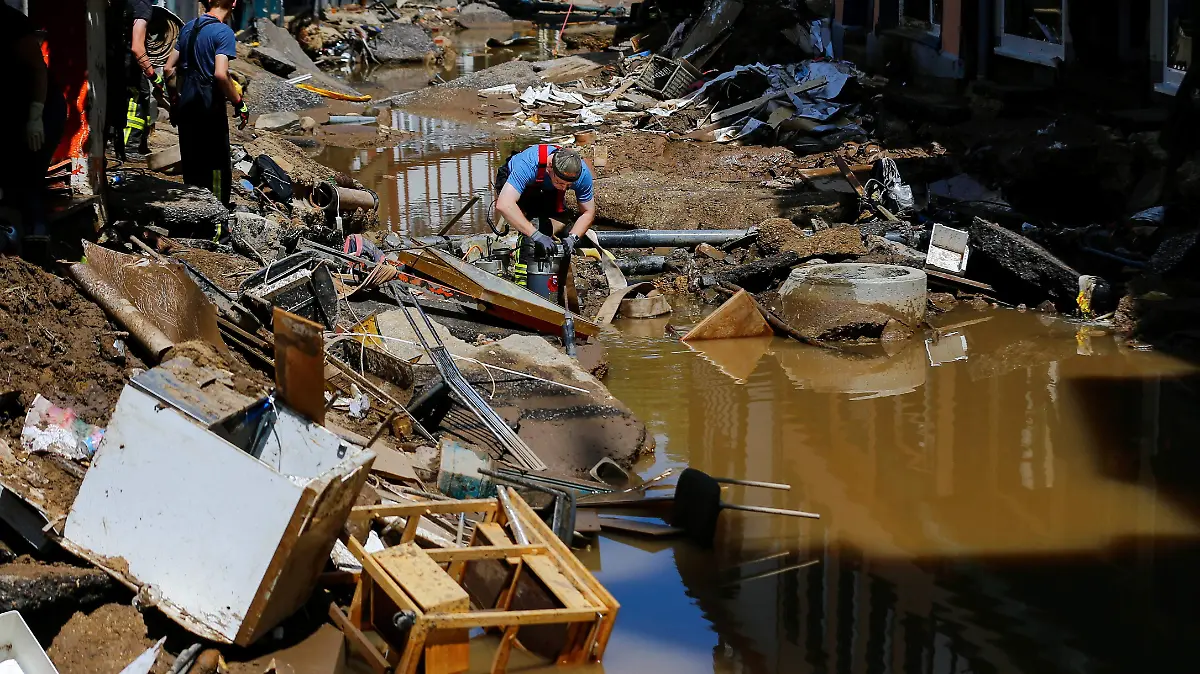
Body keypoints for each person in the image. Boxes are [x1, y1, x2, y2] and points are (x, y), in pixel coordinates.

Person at [164, 0, 248, 219]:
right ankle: (218, 218)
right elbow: (221, 74)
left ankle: (193, 217)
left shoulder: (188, 28)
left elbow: (168, 67)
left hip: (186, 106)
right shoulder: (223, 32)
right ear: (234, 3)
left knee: (192, 164)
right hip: (209, 107)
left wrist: (174, 102)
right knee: (217, 166)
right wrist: (238, 102)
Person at [0, 3, 66, 256]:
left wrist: (36, 115)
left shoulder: (9, 21)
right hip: (13, 111)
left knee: (27, 176)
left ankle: (37, 246)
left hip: (41, 109)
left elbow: (37, 68)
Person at [494, 144, 596, 290]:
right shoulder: (528, 164)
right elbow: (504, 204)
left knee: (557, 227)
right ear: (550, 167)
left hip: (547, 187)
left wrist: (573, 237)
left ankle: (554, 283)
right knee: (530, 232)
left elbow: (588, 213)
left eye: (569, 186)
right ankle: (522, 283)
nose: (564, 188)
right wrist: (535, 234)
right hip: (515, 181)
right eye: (561, 183)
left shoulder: (582, 175)